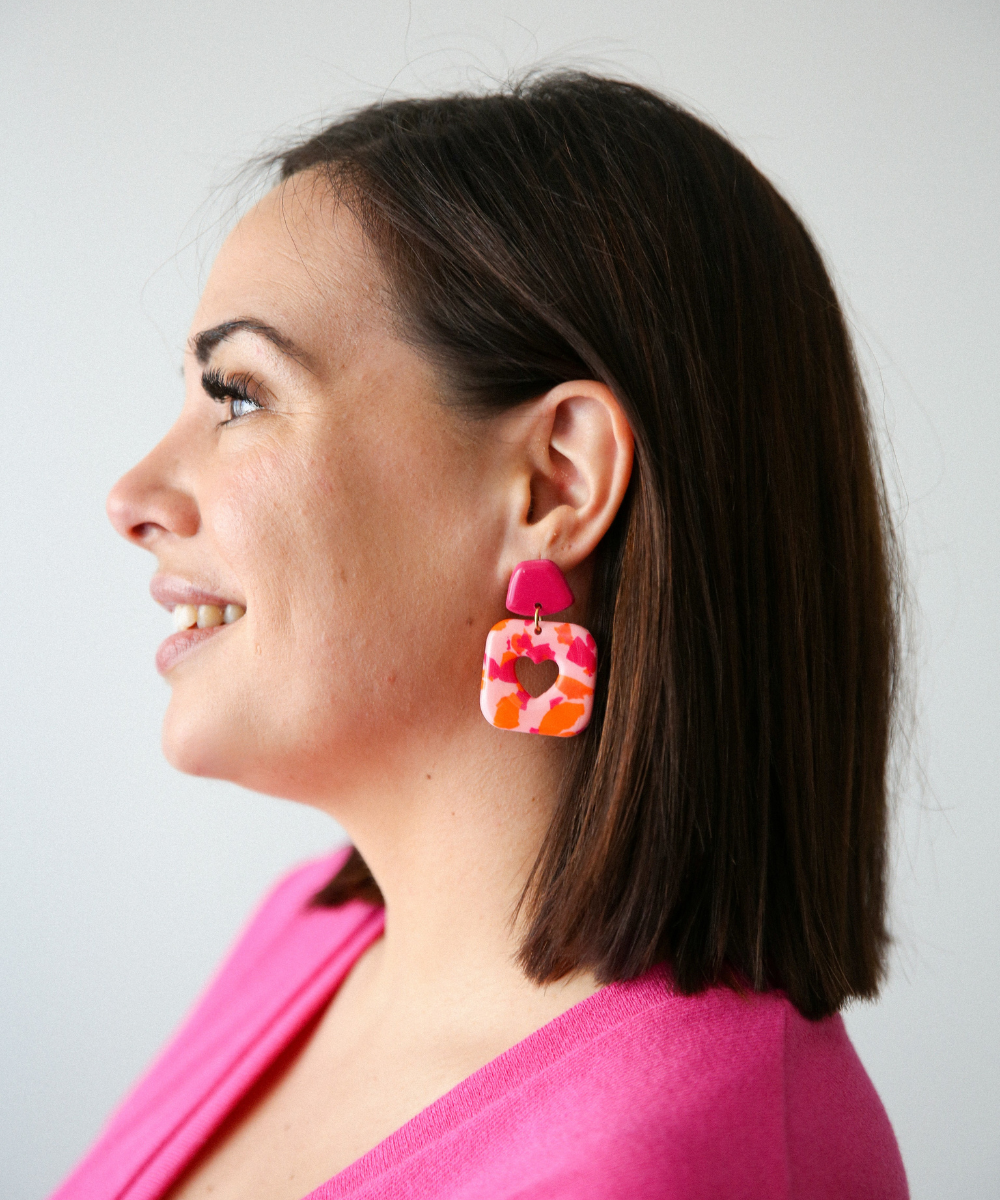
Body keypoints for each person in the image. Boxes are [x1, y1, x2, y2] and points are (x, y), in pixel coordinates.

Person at [51, 73, 909, 1199]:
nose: (132, 497)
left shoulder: (657, 1171)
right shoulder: (315, 935)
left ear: (555, 482)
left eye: (241, 394)